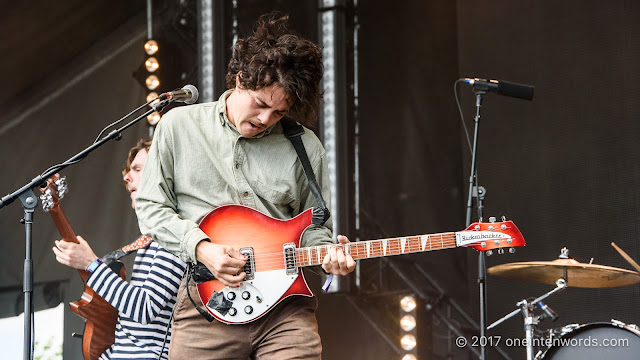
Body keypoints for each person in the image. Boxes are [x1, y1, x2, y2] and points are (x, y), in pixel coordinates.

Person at [134, 12, 356, 359]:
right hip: (206, 303)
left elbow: (312, 228)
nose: (266, 119)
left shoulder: (305, 145)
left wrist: (328, 255)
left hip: (286, 311)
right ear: (240, 78)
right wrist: (202, 248)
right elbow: (149, 206)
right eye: (261, 104)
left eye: (280, 113)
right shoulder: (178, 125)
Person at [52, 138, 186, 360]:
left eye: (138, 169)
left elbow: (144, 309)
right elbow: (132, 330)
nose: (126, 176)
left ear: (163, 174)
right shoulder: (150, 239)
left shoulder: (172, 235)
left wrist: (91, 264)